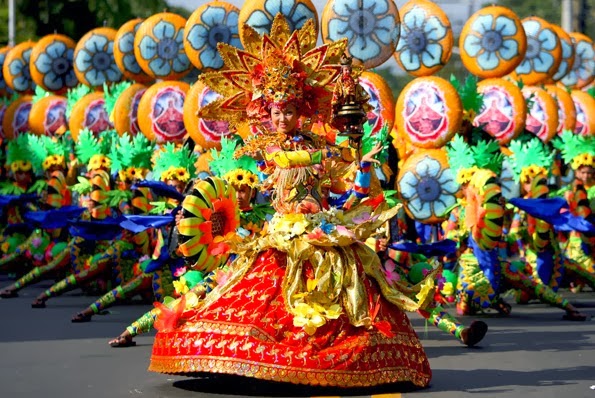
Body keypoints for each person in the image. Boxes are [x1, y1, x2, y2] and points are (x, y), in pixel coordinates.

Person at [149, 16, 433, 389]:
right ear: (267, 113)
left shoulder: (320, 147)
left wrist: (363, 164)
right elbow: (265, 179)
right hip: (279, 234)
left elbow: (354, 188)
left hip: (323, 233)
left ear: (302, 111)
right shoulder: (265, 150)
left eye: (288, 110)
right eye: (276, 111)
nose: (282, 118)